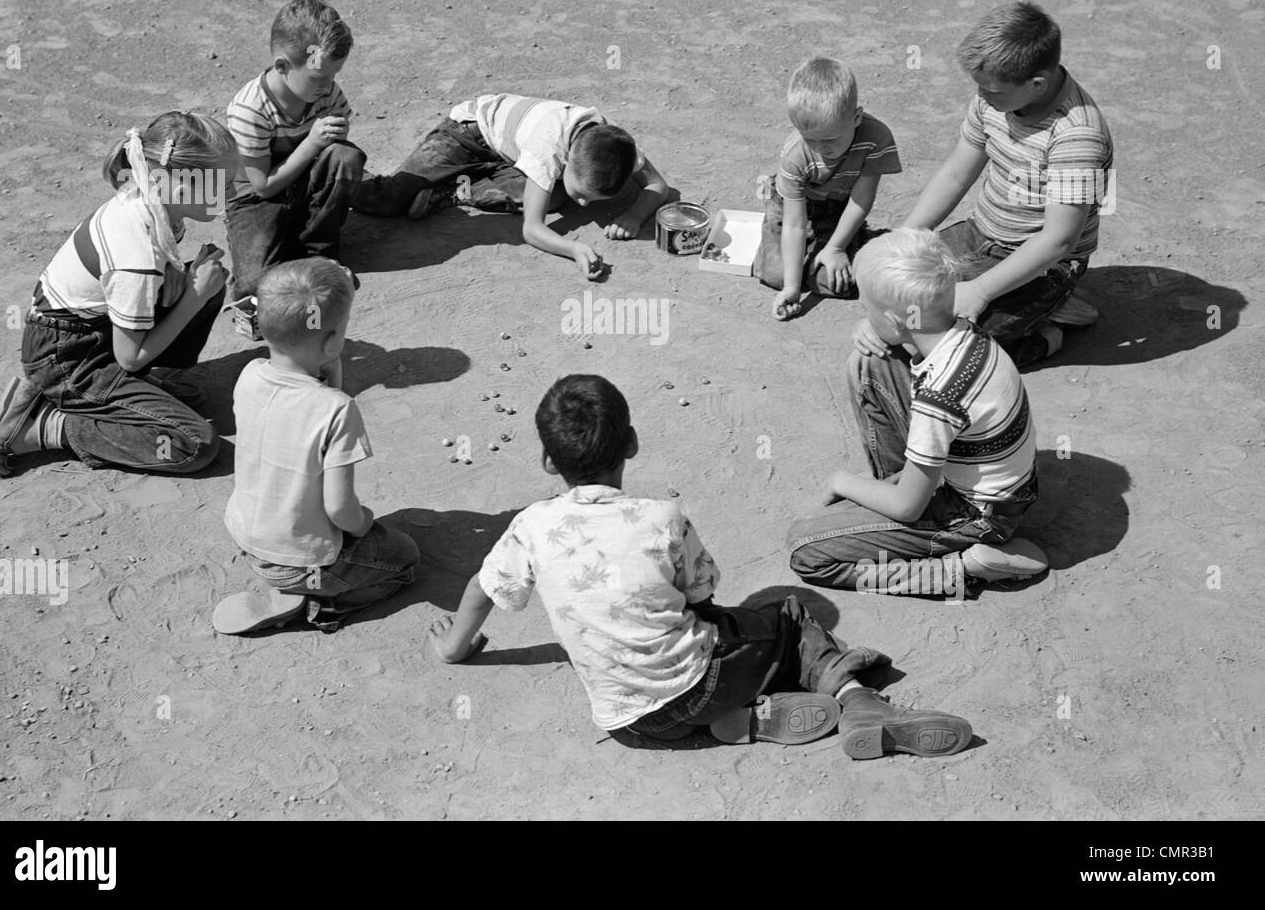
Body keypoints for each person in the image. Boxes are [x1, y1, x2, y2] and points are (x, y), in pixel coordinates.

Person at [427, 374, 972, 758]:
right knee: (785, 618)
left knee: (716, 647)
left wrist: (455, 647)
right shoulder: (662, 517)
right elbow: (702, 591)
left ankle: (749, 721)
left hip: (630, 721)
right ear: (633, 445)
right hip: (697, 686)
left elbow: (484, 585)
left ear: (549, 461)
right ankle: (859, 702)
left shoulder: (530, 526)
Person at [788, 229, 1048, 597]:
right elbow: (898, 342)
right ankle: (896, 483)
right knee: (870, 361)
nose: (865, 316)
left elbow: (910, 508)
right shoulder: (965, 333)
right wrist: (878, 324)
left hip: (976, 516)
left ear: (897, 321)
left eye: (867, 309)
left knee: (807, 550)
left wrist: (841, 482)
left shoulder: (939, 396)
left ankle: (961, 569)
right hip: (994, 487)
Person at [0, 112, 234, 477]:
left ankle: (130, 394)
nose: (232, 191)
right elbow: (130, 357)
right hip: (67, 358)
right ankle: (46, 424)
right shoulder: (137, 250)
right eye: (223, 184)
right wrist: (193, 295)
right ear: (179, 185)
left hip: (90, 331)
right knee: (193, 444)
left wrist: (184, 283)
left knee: (206, 284)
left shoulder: (154, 204)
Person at [878, 1, 1113, 365]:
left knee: (947, 351)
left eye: (993, 91)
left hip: (1046, 262)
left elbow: (1058, 240)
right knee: (892, 291)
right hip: (981, 234)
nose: (982, 97)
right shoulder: (996, 97)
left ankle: (1046, 327)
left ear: (1038, 84)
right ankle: (1033, 307)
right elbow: (957, 172)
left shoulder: (1077, 135)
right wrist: (907, 234)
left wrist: (980, 291)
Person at [214, 258, 419, 635]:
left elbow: (297, 417)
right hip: (299, 559)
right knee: (404, 556)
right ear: (332, 342)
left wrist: (330, 374)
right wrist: (366, 524)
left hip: (247, 534)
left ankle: (289, 584)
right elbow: (340, 509)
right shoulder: (338, 410)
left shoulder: (249, 375)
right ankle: (321, 605)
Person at [351, 93, 669, 279]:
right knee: (389, 199)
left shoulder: (619, 147)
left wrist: (634, 216)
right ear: (568, 160)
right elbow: (532, 230)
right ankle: (331, 170)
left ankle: (451, 191)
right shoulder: (549, 148)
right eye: (583, 194)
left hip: (512, 153)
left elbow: (657, 185)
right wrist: (573, 249)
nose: (585, 206)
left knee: (556, 198)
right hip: (466, 135)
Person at [224, 0, 368, 302]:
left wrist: (336, 135)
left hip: (302, 181)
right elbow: (261, 188)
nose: (329, 86)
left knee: (346, 157)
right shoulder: (249, 109)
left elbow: (336, 153)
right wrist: (313, 142)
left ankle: (318, 252)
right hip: (257, 198)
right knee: (252, 286)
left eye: (334, 76)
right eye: (320, 77)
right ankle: (289, 245)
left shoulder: (324, 91)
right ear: (282, 66)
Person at [756, 57, 902, 319]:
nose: (820, 149)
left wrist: (835, 248)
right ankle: (824, 250)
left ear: (856, 117)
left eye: (830, 139)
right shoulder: (795, 154)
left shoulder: (876, 138)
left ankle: (861, 242)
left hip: (840, 207)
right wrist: (791, 287)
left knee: (836, 283)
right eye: (810, 139)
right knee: (777, 276)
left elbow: (861, 199)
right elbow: (794, 224)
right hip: (793, 208)